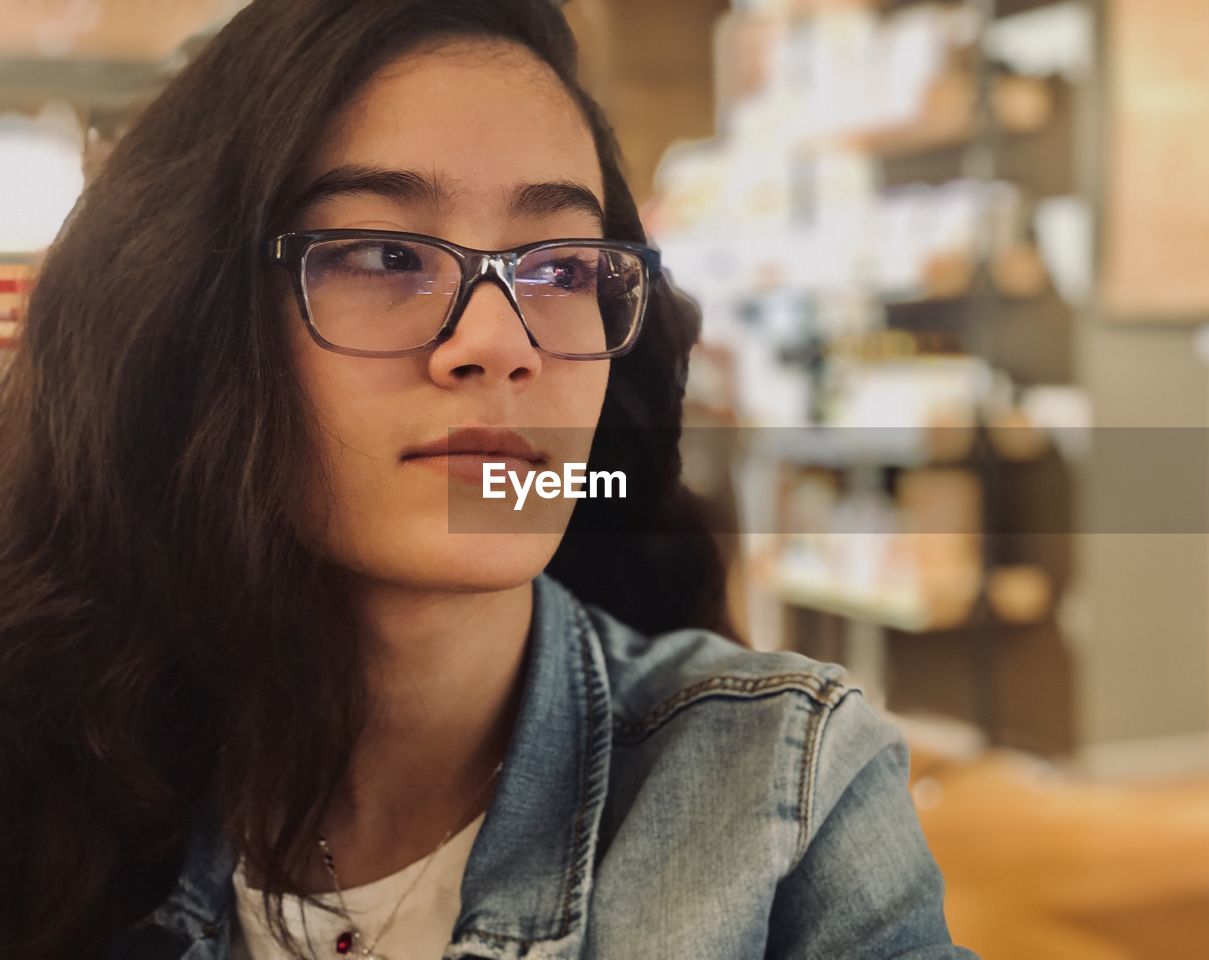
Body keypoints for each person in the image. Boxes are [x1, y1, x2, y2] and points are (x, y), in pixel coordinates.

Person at [0, 1, 978, 957]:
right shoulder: (51, 759)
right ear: (190, 317)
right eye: (384, 255)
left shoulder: (779, 786)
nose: (499, 346)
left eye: (558, 271)